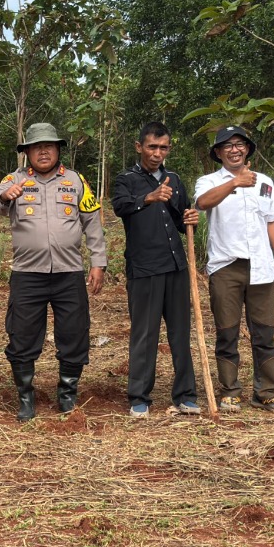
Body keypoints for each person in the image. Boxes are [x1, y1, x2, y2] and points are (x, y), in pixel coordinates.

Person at [0, 123, 107, 420]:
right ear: (27, 152)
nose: (43, 151)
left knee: (74, 333)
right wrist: (6, 196)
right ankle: (26, 397)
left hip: (69, 273)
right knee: (22, 336)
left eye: (49, 146)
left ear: (58, 149)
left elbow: (92, 222)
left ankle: (67, 393)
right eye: (37, 147)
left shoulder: (75, 180)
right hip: (28, 274)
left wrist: (98, 262)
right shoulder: (15, 179)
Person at [193, 124, 274, 414]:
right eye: (227, 145)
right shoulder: (209, 181)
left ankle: (266, 393)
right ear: (218, 152)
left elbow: (272, 220)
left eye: (239, 144)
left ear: (247, 149)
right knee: (227, 332)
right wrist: (235, 182)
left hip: (261, 266)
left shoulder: (264, 182)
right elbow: (202, 203)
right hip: (226, 267)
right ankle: (230, 392)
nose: (234, 150)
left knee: (264, 333)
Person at [113, 122, 201, 417]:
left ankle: (186, 395)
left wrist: (190, 219)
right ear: (139, 147)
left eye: (163, 148)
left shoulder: (174, 179)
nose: (157, 153)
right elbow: (120, 207)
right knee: (145, 334)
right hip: (144, 268)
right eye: (152, 147)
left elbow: (181, 221)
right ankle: (139, 396)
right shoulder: (126, 179)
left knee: (180, 333)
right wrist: (148, 198)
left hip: (176, 266)